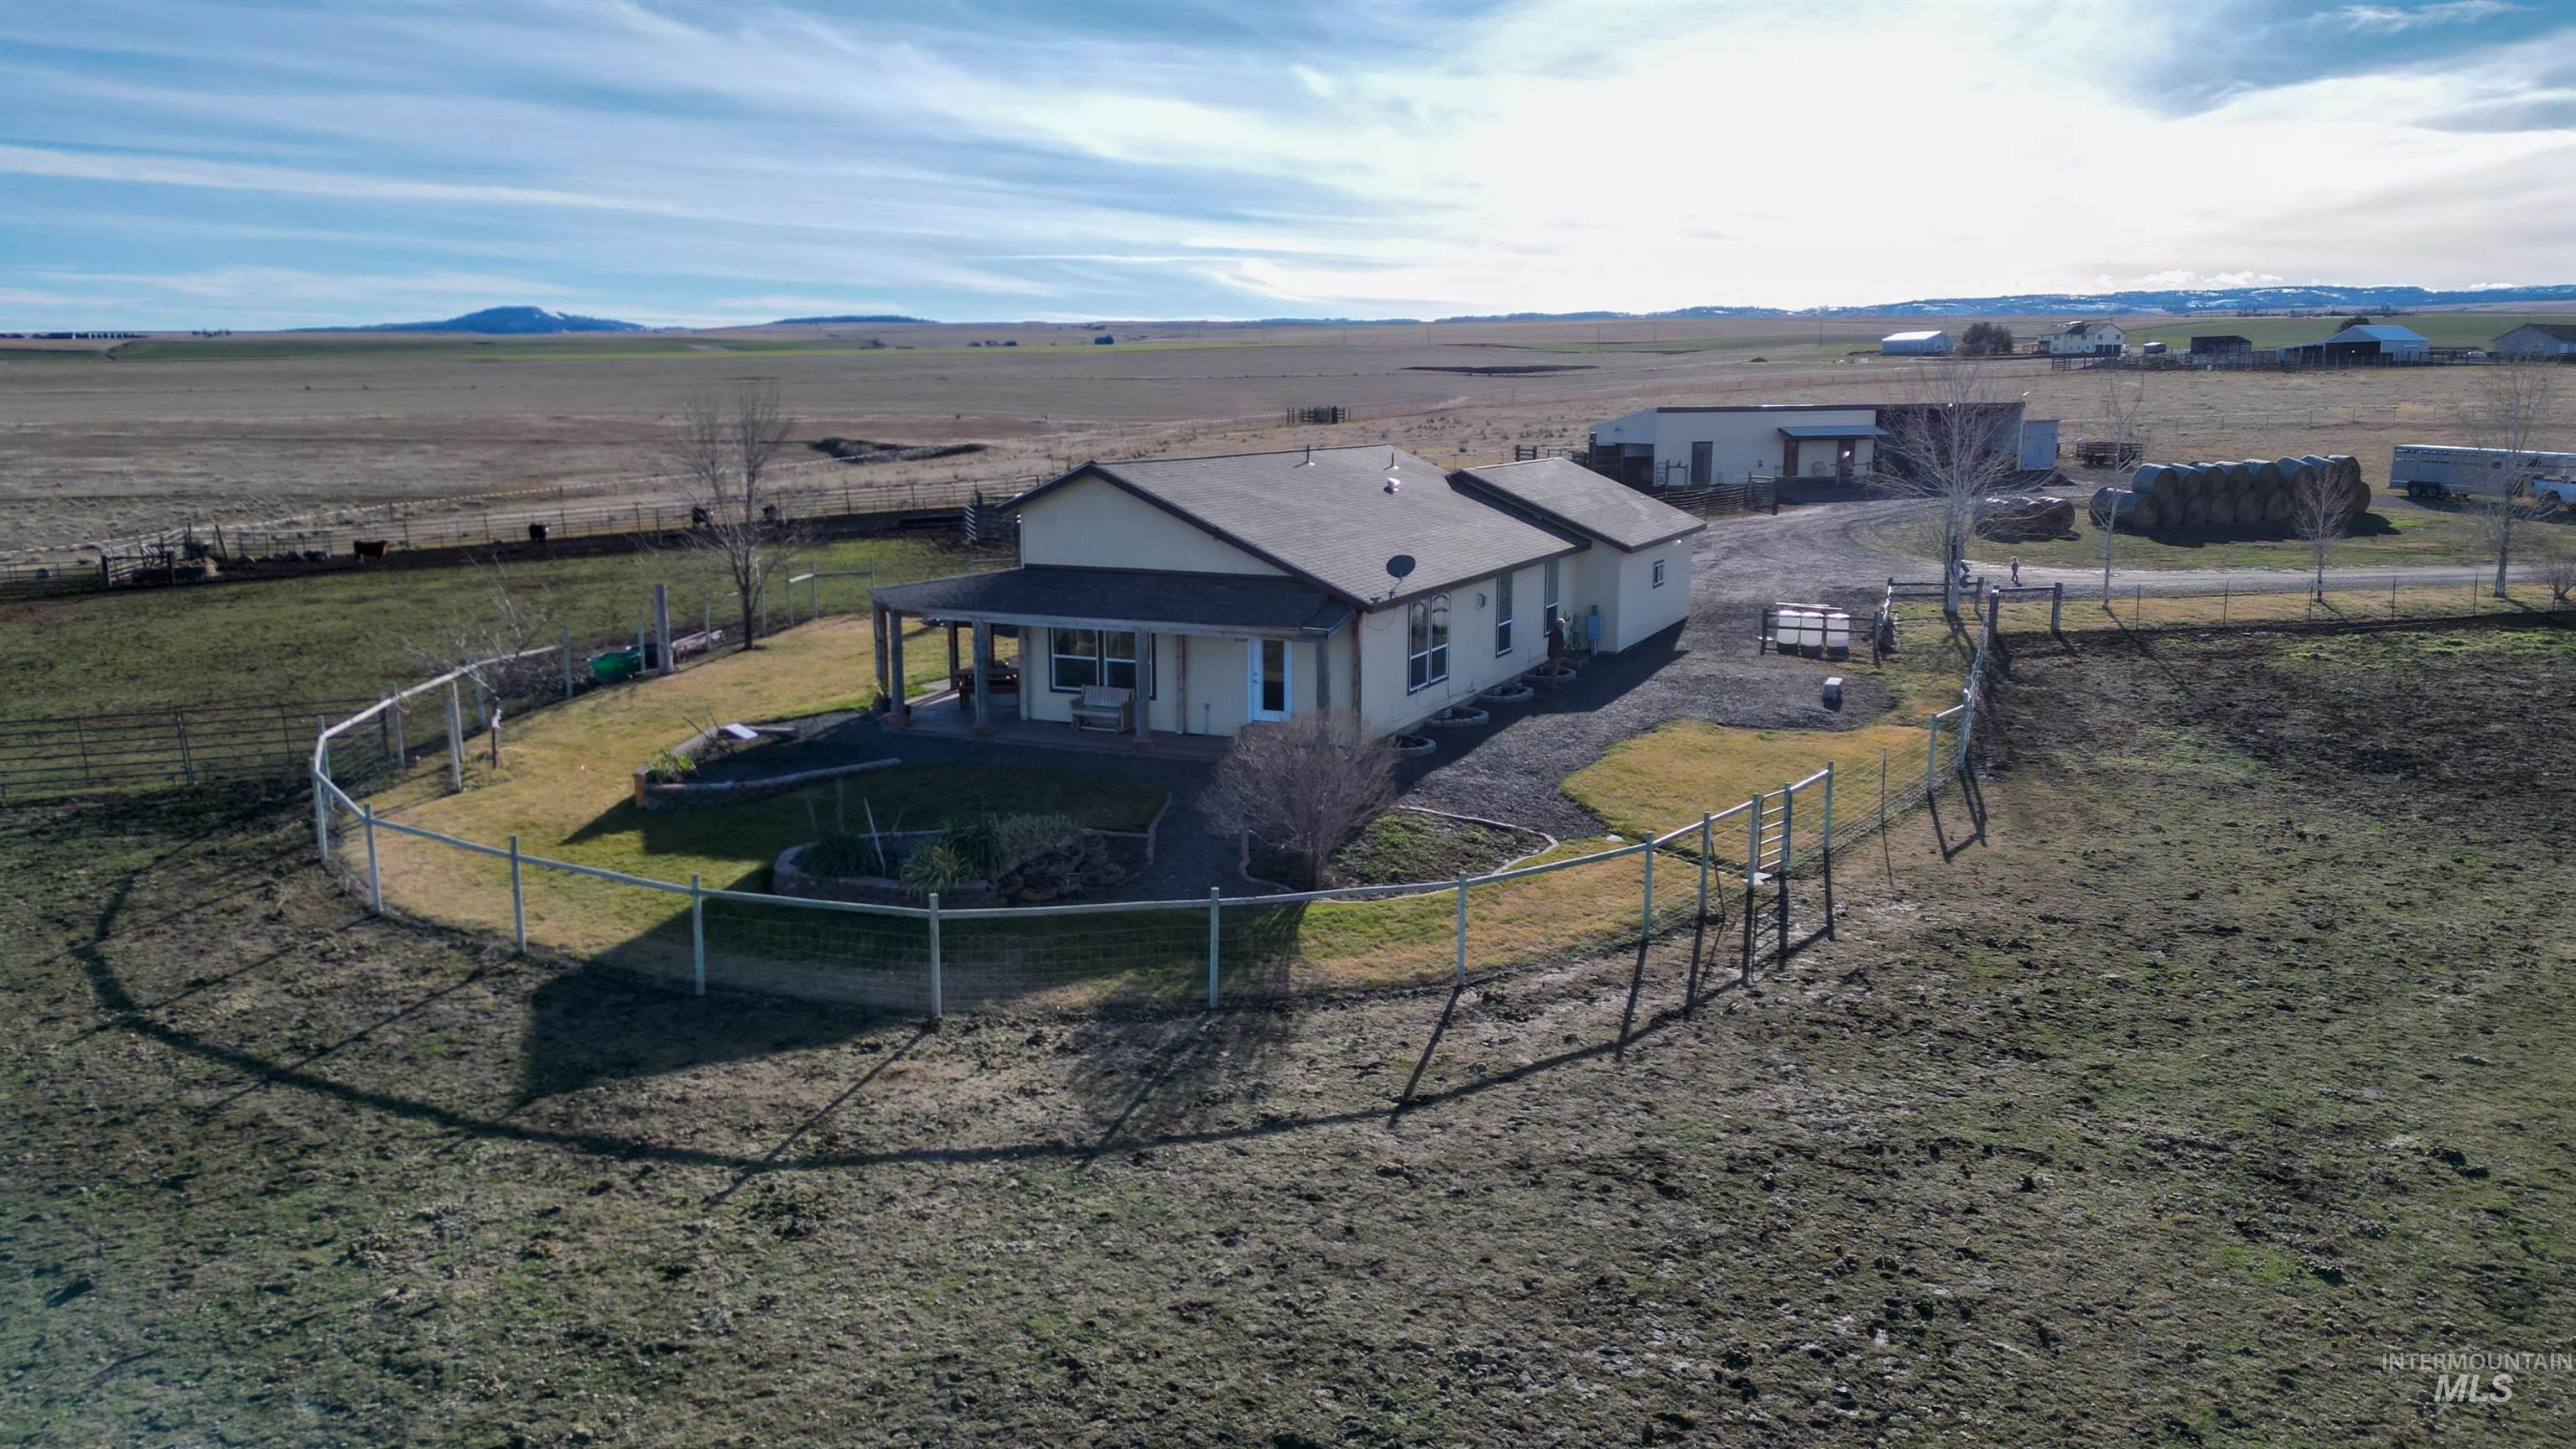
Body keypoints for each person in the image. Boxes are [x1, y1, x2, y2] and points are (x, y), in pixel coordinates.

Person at [1544, 613, 1567, 685]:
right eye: (1562, 625)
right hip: (1554, 653)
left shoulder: (1559, 632)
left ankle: (1553, 683)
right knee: (1555, 669)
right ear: (1558, 625)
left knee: (1556, 668)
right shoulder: (1554, 633)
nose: (1563, 626)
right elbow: (1554, 643)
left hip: (1558, 653)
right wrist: (1563, 643)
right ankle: (1552, 684)